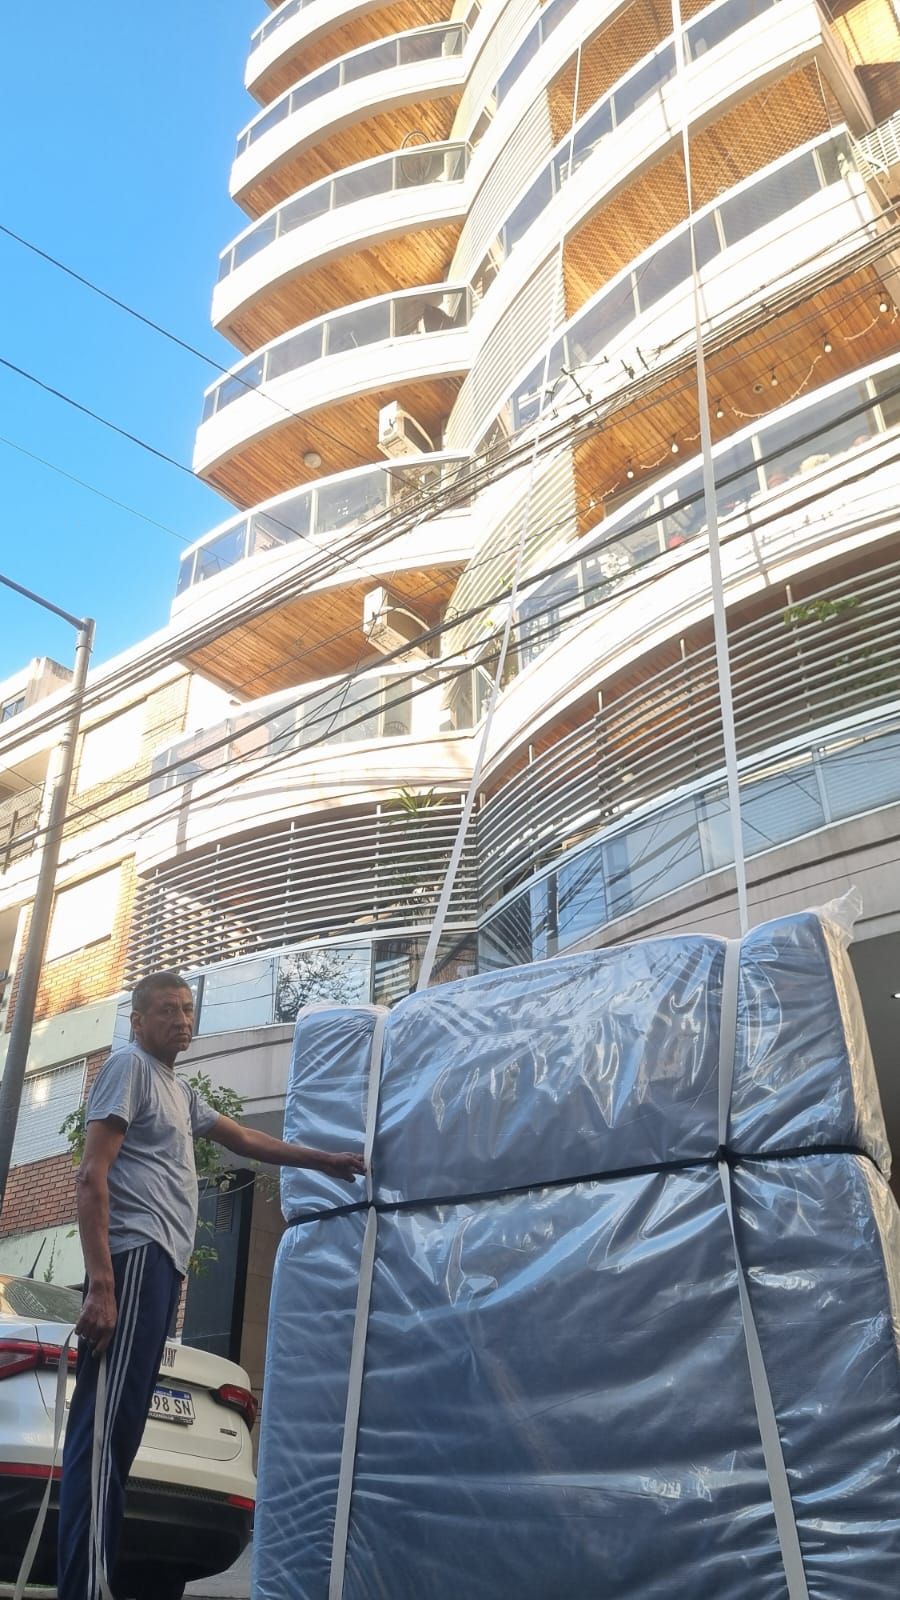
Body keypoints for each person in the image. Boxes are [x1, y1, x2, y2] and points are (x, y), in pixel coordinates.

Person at [57, 970, 365, 1600]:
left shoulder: (176, 1089)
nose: (180, 1018)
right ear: (138, 1021)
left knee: (123, 1437)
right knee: (105, 1435)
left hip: (162, 1266)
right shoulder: (129, 1068)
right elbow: (92, 1175)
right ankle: (81, 1590)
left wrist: (326, 1161)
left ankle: (96, 1582)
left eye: (187, 1008)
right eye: (166, 1009)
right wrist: (101, 1284)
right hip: (135, 1257)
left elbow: (244, 1137)